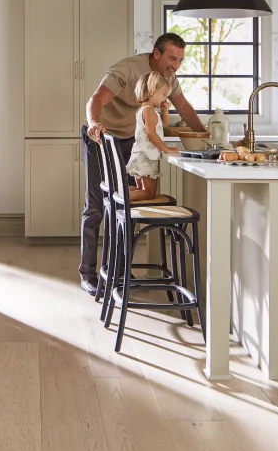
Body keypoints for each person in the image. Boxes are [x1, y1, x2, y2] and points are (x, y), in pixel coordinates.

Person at [80, 33, 205, 295]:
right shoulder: (127, 69)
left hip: (131, 140)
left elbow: (184, 107)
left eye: (180, 60)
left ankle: (119, 270)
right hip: (101, 137)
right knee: (96, 207)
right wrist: (94, 124)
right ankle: (88, 274)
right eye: (172, 58)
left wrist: (205, 135)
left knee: (125, 205)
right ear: (156, 54)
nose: (176, 65)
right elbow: (97, 99)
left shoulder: (169, 78)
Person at [126, 73, 180, 201]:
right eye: (164, 95)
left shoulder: (146, 109)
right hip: (146, 157)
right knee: (149, 194)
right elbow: (151, 134)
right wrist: (167, 149)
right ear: (152, 93)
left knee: (142, 191)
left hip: (141, 155)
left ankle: (124, 194)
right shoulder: (149, 111)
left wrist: (165, 110)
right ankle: (123, 197)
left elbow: (164, 124)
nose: (165, 99)